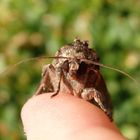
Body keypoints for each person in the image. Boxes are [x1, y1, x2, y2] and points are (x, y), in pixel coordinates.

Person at [21, 92, 126, 140]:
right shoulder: (55, 68)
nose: (73, 70)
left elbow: (95, 92)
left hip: (88, 108)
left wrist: (105, 111)